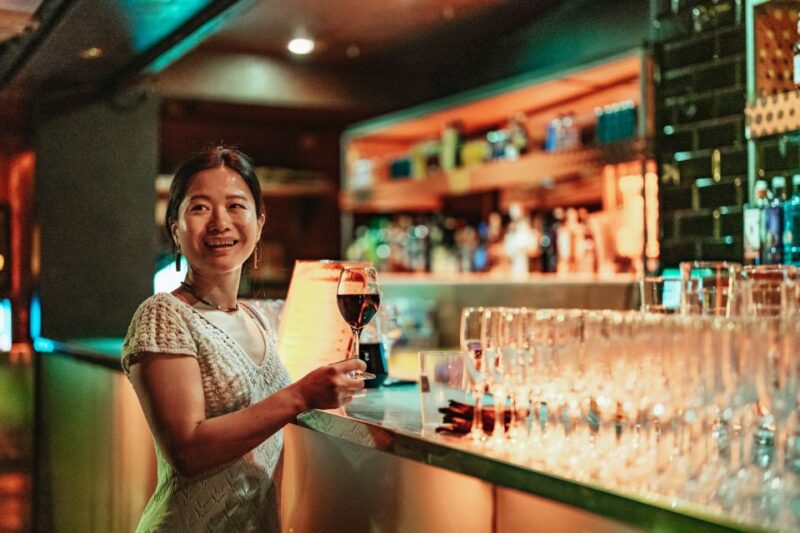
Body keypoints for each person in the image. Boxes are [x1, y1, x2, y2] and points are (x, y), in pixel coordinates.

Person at [121, 145, 366, 532]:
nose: (220, 222)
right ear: (175, 228)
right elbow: (187, 449)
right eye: (200, 208)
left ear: (259, 221)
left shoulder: (256, 319)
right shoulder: (162, 315)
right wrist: (300, 395)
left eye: (236, 206)